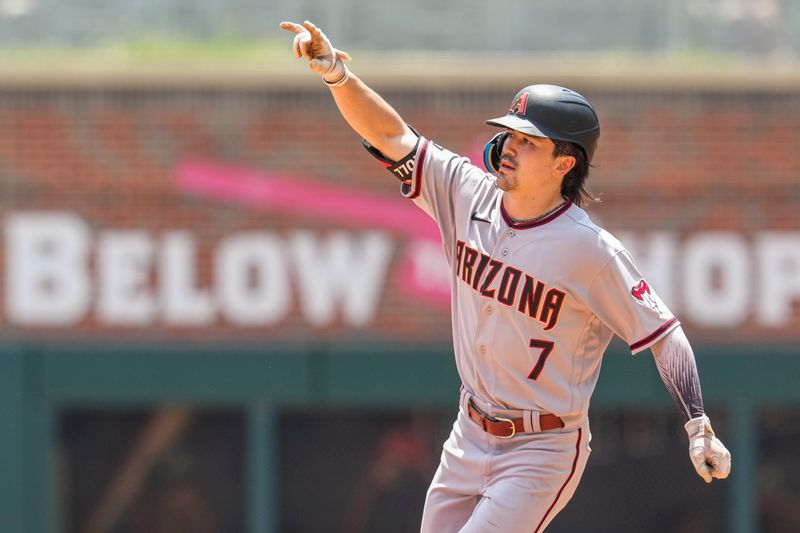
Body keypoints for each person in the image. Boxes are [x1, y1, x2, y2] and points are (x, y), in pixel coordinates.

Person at [279, 20, 731, 533]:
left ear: (565, 161)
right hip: (468, 433)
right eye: (509, 134)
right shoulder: (466, 192)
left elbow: (664, 335)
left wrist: (699, 425)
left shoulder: (590, 250)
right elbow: (391, 135)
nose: (509, 146)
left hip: (543, 447)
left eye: (529, 141)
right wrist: (337, 74)